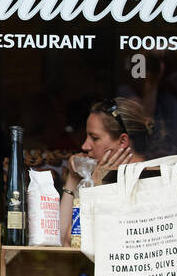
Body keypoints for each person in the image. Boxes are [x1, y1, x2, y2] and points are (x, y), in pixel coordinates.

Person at [59, 97, 156, 245]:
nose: (85, 146)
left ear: (123, 141)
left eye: (94, 138)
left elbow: (70, 243)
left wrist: (96, 186)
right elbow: (60, 242)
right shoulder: (104, 178)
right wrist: (73, 178)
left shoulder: (148, 184)